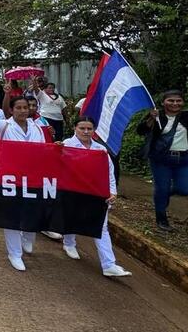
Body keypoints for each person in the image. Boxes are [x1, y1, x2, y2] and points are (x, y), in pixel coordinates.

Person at [0, 84, 44, 272]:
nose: (23, 111)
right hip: (11, 177)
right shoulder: (4, 126)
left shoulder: (38, 128)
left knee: (32, 212)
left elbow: (44, 152)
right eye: (19, 108)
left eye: (26, 107)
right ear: (12, 110)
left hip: (33, 177)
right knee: (12, 215)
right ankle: (14, 254)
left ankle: (28, 237)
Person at [137, 89, 188, 231]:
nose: (175, 103)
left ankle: (162, 193)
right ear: (163, 102)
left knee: (185, 189)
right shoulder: (157, 115)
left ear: (183, 102)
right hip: (161, 159)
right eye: (171, 100)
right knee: (161, 189)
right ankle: (161, 219)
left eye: (178, 101)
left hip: (184, 159)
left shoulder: (187, 117)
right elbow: (141, 130)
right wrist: (151, 118)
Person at [59, 117, 132, 277]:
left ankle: (108, 264)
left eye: (89, 129)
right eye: (82, 128)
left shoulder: (100, 150)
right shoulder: (67, 145)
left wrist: (112, 192)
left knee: (101, 227)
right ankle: (69, 242)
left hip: (96, 192)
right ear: (75, 128)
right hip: (72, 190)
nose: (86, 132)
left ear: (94, 130)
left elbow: (109, 172)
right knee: (72, 218)